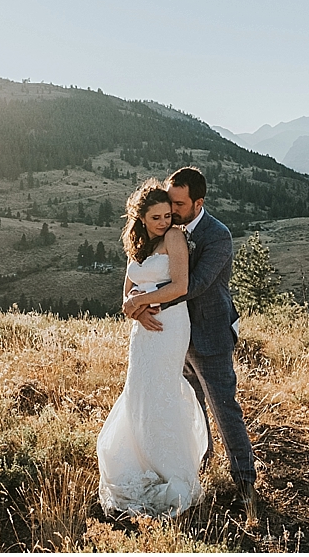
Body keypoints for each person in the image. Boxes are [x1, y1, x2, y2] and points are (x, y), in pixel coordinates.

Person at [123, 166, 257, 515]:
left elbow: (194, 284)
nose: (171, 208)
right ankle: (198, 466)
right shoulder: (166, 230)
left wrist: (144, 304)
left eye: (178, 204)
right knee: (188, 407)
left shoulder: (218, 236)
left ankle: (245, 481)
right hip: (171, 336)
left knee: (224, 409)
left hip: (208, 335)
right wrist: (137, 307)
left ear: (198, 202)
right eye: (169, 201)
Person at [97, 179, 209, 517]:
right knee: (140, 389)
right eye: (156, 217)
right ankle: (140, 459)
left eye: (167, 215)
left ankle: (171, 467)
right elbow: (126, 294)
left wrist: (142, 302)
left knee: (162, 389)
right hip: (142, 329)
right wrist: (137, 309)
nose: (165, 222)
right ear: (141, 218)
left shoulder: (175, 238)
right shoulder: (138, 244)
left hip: (169, 325)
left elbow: (180, 285)